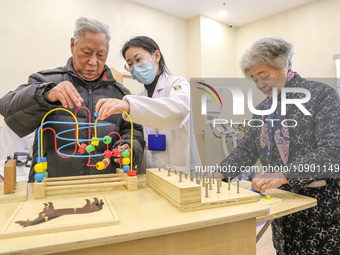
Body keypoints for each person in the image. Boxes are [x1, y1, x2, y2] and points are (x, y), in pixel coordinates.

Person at [218, 37, 340, 254]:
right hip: (281, 206)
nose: (260, 84)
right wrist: (219, 174)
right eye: (254, 79)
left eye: (264, 75)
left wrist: (285, 173)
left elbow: (332, 150)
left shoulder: (321, 95)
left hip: (320, 209)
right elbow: (248, 148)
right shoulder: (263, 108)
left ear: (285, 64)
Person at [0, 17, 145, 182]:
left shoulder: (121, 94)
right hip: (52, 187)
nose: (93, 62)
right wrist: (45, 95)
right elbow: (8, 108)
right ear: (72, 45)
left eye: (100, 55)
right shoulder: (46, 81)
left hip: (105, 187)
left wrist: (130, 148)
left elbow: (134, 132)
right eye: (87, 53)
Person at [96, 36, 201, 174]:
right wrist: (128, 147)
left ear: (156, 56)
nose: (134, 67)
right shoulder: (139, 96)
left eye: (138, 60)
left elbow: (178, 112)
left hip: (180, 171)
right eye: (130, 64)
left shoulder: (177, 84)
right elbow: (138, 135)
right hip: (149, 171)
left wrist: (129, 106)